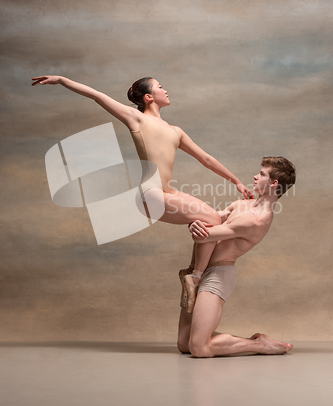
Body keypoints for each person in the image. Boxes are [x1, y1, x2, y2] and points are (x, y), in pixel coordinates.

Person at [32, 75, 253, 278]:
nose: (165, 90)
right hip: (150, 194)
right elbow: (96, 95)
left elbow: (206, 159)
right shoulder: (137, 119)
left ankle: (191, 272)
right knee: (212, 220)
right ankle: (195, 277)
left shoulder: (176, 131)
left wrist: (236, 181)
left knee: (212, 218)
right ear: (149, 97)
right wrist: (61, 80)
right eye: (160, 87)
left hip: (168, 192)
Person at [177, 156, 296, 356]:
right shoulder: (242, 204)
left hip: (217, 274)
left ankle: (260, 345)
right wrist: (194, 223)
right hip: (198, 270)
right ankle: (234, 340)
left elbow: (204, 235)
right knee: (184, 344)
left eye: (262, 174)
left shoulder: (257, 221)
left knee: (198, 348)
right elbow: (210, 219)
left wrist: (195, 224)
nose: (255, 176)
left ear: (274, 183)